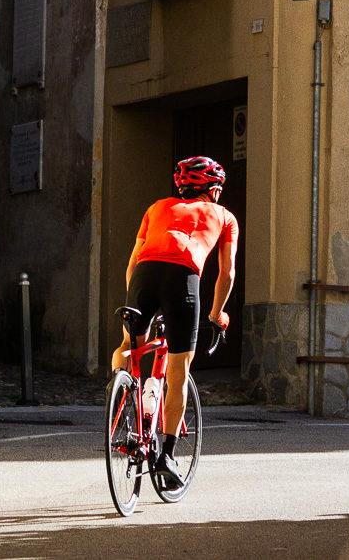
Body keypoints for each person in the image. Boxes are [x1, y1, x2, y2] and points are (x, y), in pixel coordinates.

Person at [111, 155, 238, 489]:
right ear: (213, 190)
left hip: (143, 276)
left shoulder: (155, 208)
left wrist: (138, 303)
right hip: (182, 280)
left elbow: (132, 264)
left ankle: (123, 393)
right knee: (179, 371)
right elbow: (226, 274)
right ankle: (166, 455)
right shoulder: (225, 217)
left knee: (130, 347)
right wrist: (215, 314)